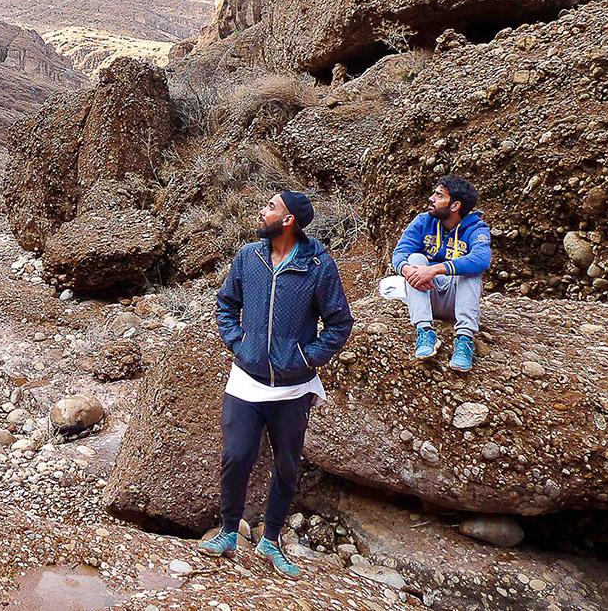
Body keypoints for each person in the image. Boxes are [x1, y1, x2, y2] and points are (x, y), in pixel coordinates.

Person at [197, 190, 354, 578]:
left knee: (286, 465)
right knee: (236, 457)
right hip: (246, 380)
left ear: (288, 221)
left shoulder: (318, 265)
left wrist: (304, 359)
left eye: (270, 206)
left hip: (293, 387)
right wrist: (239, 343)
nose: (261, 210)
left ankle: (270, 539)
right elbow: (225, 304)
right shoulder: (248, 257)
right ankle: (229, 531)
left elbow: (339, 324)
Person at [390, 176, 492, 372]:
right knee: (415, 260)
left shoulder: (476, 229)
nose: (431, 198)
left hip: (458, 300)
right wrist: (408, 270)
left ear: (455, 205)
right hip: (428, 295)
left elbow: (482, 258)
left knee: (471, 271)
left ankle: (464, 339)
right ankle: (425, 331)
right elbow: (400, 253)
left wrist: (435, 269)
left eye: (438, 195)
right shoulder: (423, 222)